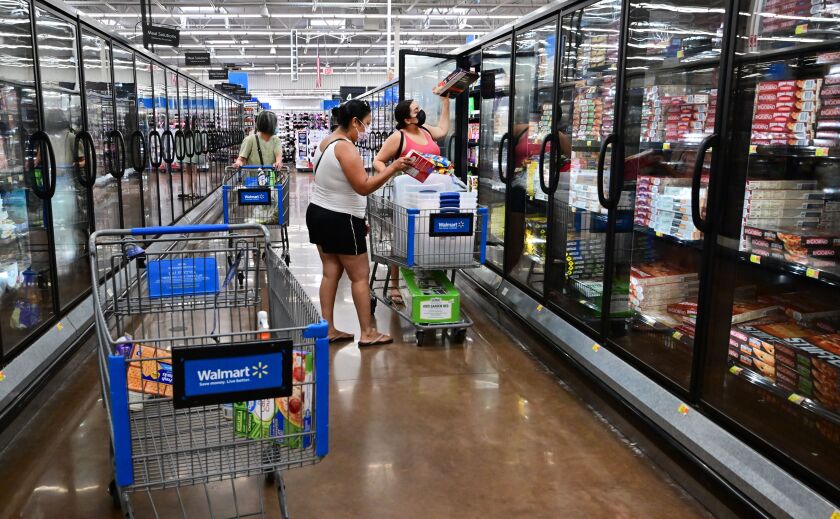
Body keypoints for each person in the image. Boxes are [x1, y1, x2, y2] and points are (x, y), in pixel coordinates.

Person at [307, 99, 409, 346]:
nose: (365, 131)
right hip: (340, 219)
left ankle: (328, 328)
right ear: (354, 122)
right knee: (360, 276)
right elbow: (363, 187)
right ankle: (368, 333)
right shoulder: (345, 147)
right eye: (365, 124)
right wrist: (393, 167)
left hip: (318, 213)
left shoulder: (326, 143)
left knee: (330, 273)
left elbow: (334, 182)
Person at [372, 97, 450, 303]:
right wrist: (395, 171)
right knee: (401, 237)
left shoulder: (425, 131)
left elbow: (442, 129)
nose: (421, 112)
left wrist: (446, 103)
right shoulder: (398, 137)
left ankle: (429, 275)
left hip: (434, 194)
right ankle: (395, 286)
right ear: (407, 119)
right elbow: (378, 160)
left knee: (430, 235)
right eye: (417, 110)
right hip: (407, 196)